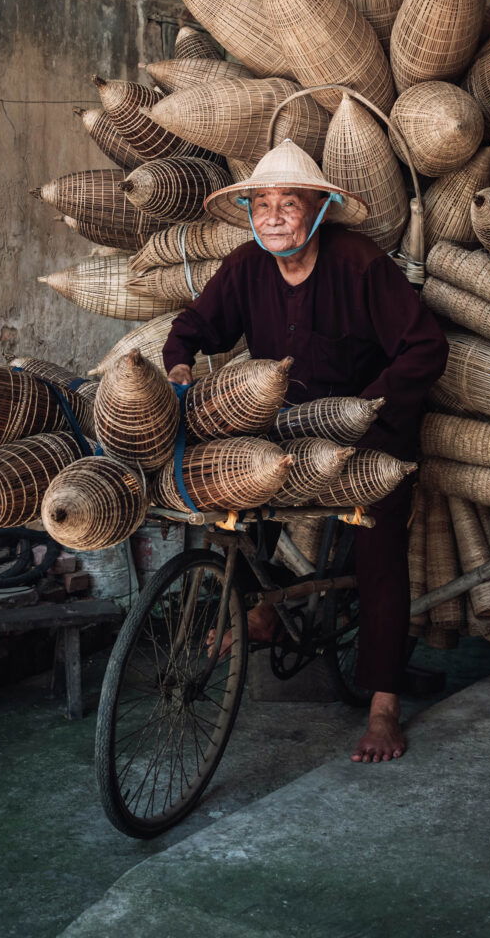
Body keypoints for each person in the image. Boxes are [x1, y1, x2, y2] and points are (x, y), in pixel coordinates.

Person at [163, 139, 447, 763]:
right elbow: (192, 329)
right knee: (239, 505)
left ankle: (382, 705)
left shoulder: (359, 264)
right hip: (284, 428)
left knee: (378, 550)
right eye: (260, 203)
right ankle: (261, 611)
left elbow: (425, 347)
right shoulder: (245, 267)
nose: (271, 215)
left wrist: (368, 410)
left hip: (372, 431)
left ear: (317, 211)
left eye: (287, 203)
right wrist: (180, 368)